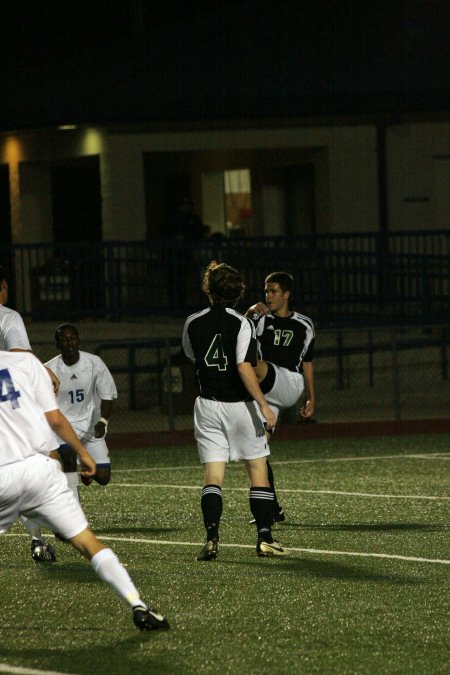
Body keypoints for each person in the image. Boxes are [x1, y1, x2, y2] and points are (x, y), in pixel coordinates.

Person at [0, 350, 169, 631]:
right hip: (41, 470)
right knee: (89, 543)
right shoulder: (26, 362)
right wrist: (83, 453)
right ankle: (138, 605)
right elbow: (54, 419)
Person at [182, 260, 290, 560]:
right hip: (239, 406)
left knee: (213, 475)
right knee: (257, 470)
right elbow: (244, 367)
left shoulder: (193, 321)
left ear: (208, 289)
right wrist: (265, 405)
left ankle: (212, 538)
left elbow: (193, 356)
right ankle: (265, 537)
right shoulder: (241, 323)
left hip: (207, 406)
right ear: (239, 291)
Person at [0, 264, 60, 561]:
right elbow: (19, 355)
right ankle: (37, 541)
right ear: (3, 286)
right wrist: (44, 369)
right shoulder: (7, 316)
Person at [246, 271, 316, 523]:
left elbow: (307, 362)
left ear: (286, 294)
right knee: (256, 451)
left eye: (273, 291)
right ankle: (273, 509)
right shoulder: (261, 320)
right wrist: (250, 314)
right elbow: (240, 332)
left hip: (289, 384)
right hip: (268, 394)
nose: (268, 295)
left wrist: (311, 398)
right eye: (266, 291)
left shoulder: (303, 324)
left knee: (252, 364)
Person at [45, 323, 117, 499]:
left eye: (72, 338)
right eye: (64, 339)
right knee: (68, 455)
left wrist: (102, 421)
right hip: (63, 427)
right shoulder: (49, 369)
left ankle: (87, 470)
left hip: (90, 426)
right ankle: (74, 509)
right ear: (56, 344)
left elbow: (108, 395)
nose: (69, 343)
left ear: (79, 341)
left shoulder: (94, 363)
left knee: (104, 477)